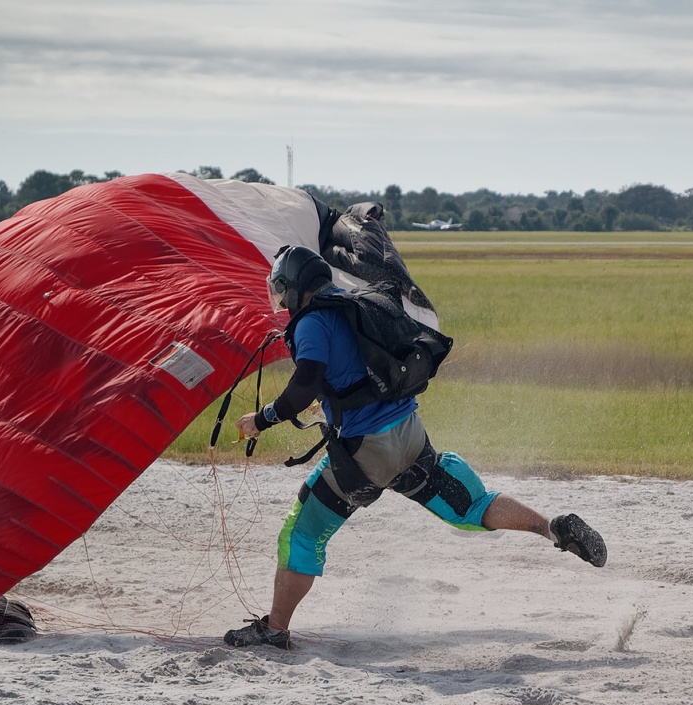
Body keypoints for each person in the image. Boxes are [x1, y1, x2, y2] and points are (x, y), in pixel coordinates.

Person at [223, 244, 607, 649]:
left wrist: (262, 418)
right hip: (410, 434)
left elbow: (304, 383)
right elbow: (354, 375)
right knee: (471, 506)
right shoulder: (351, 307)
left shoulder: (311, 323)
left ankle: (275, 629)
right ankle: (553, 529)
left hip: (365, 454)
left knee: (300, 535)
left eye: (283, 289)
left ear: (298, 288)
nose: (281, 299)